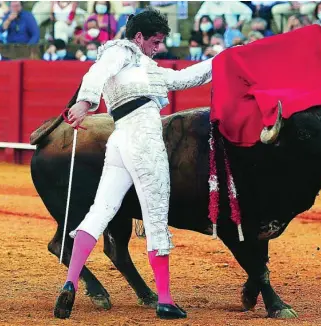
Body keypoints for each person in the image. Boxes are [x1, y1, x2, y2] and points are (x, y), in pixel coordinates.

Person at [54, 8, 214, 320]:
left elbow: (184, 78)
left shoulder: (147, 67)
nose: (159, 46)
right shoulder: (121, 50)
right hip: (143, 141)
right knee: (155, 216)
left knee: (100, 211)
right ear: (138, 37)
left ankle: (70, 281)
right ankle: (165, 299)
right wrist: (85, 102)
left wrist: (222, 60)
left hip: (119, 142)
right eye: (155, 41)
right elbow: (97, 73)